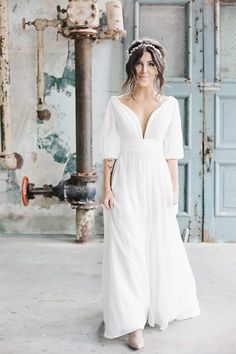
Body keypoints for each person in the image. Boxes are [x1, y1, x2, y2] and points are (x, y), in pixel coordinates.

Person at [99, 38, 201, 350]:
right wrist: (107, 187)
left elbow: (172, 152)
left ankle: (154, 305)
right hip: (126, 179)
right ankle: (132, 323)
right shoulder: (117, 104)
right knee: (127, 248)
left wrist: (174, 190)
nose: (144, 70)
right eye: (140, 64)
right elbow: (109, 151)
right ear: (132, 67)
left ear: (158, 69)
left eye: (150, 64)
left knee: (157, 245)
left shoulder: (169, 106)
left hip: (157, 181)